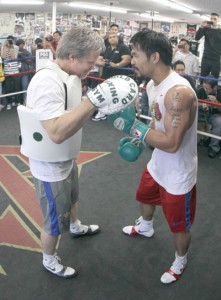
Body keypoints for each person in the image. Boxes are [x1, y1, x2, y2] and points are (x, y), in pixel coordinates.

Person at [17, 27, 138, 279]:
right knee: (53, 219)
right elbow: (57, 132)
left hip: (66, 157)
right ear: (72, 56)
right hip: (50, 166)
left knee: (72, 198)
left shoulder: (68, 76)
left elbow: (72, 114)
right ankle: (49, 259)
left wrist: (97, 108)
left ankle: (75, 226)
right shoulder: (47, 81)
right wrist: (92, 102)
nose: (91, 69)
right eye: (90, 63)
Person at [108, 29, 198, 284]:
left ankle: (180, 259)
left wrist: (134, 127)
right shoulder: (151, 84)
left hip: (178, 171)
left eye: (136, 55)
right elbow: (158, 125)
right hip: (158, 162)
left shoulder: (178, 93)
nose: (132, 60)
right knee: (144, 195)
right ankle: (145, 226)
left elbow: (171, 143)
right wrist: (139, 137)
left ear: (155, 56)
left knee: (178, 224)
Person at [93, 32, 131, 121]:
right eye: (110, 37)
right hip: (106, 75)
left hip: (118, 76)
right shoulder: (107, 48)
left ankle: (116, 114)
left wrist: (117, 64)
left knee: (117, 95)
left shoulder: (123, 47)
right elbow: (98, 59)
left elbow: (127, 59)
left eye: (114, 37)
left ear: (118, 39)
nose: (112, 38)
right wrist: (104, 63)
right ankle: (103, 111)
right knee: (104, 93)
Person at [197, 76, 221, 158]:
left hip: (214, 115)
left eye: (207, 89)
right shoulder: (200, 90)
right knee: (190, 117)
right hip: (201, 113)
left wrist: (216, 103)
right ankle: (190, 142)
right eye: (204, 87)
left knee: (219, 122)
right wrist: (201, 104)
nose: (205, 90)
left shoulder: (220, 92)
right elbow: (193, 103)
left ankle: (214, 148)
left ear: (215, 87)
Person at [195, 13, 221, 80]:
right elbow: (197, 38)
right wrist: (201, 27)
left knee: (214, 79)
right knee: (203, 78)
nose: (213, 20)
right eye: (211, 19)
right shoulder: (206, 29)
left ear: (218, 20)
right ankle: (202, 90)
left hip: (216, 59)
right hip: (206, 58)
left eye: (215, 19)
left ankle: (214, 90)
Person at [1, 35, 20, 109]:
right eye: (8, 40)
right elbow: (3, 57)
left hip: (15, 70)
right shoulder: (4, 47)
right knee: (8, 88)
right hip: (7, 71)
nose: (9, 41)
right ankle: (9, 102)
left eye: (10, 40)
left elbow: (13, 57)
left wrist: (11, 47)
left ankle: (17, 101)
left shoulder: (16, 47)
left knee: (16, 87)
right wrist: (5, 47)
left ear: (13, 40)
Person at [16, 39, 34, 104]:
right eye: (18, 44)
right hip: (15, 72)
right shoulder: (14, 52)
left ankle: (25, 101)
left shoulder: (26, 52)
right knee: (17, 87)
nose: (20, 46)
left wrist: (22, 55)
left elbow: (30, 61)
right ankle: (18, 101)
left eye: (21, 44)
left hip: (24, 72)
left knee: (24, 86)